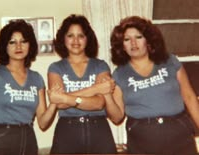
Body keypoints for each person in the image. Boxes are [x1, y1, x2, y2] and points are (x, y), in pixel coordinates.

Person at [108, 16, 199, 154]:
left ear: (148, 41)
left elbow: (190, 97)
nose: (133, 43)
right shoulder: (119, 74)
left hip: (179, 134)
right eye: (127, 39)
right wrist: (106, 95)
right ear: (121, 45)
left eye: (138, 37)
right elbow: (117, 117)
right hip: (142, 140)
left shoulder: (170, 62)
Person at [0, 19, 56, 155]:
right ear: (5, 46)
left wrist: (54, 104)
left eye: (23, 41)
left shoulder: (36, 79)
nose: (18, 46)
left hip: (28, 140)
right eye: (12, 42)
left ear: (30, 45)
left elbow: (43, 123)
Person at [47, 14, 120, 154]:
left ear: (87, 39)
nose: (76, 40)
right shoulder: (55, 68)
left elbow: (99, 103)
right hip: (67, 132)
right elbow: (59, 104)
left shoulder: (101, 66)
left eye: (81, 35)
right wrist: (95, 88)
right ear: (63, 39)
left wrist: (66, 98)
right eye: (70, 35)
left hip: (99, 130)